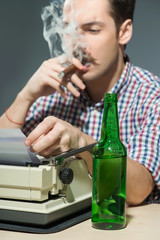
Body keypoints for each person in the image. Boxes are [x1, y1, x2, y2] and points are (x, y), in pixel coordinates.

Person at [0, 0, 160, 206]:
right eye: (69, 29)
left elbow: (139, 190)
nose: (77, 44)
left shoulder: (153, 96)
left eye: (92, 30)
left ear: (124, 32)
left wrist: (82, 144)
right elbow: (4, 152)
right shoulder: (54, 92)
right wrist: (25, 97)